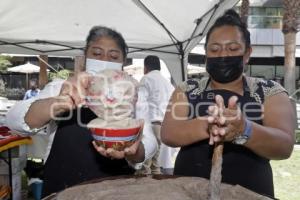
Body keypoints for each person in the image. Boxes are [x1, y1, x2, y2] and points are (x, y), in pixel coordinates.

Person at [6, 26, 157, 197]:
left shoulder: (134, 94)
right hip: (63, 186)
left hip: (115, 188)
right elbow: (13, 121)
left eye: (113, 56)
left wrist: (135, 152)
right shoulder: (62, 87)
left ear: (123, 62)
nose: (105, 60)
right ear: (86, 57)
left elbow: (151, 142)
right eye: (97, 54)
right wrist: (59, 102)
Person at [161, 9, 295, 198]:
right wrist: (209, 124)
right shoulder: (187, 88)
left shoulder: (269, 91)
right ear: (206, 54)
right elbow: (168, 133)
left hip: (252, 191)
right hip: (188, 191)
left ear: (247, 53)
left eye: (233, 49)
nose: (223, 55)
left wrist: (244, 129)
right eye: (214, 50)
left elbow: (284, 146)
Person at [135, 55, 177, 175]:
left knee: (144, 166)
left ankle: (144, 190)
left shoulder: (146, 79)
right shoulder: (166, 82)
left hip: (150, 126)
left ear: (145, 67)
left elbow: (140, 104)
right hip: (163, 126)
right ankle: (158, 189)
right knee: (156, 165)